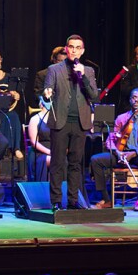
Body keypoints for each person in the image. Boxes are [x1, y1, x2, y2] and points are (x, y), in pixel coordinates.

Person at [42, 34, 99, 211]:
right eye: (71, 47)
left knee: (76, 163)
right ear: (66, 49)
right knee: (58, 163)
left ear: (82, 51)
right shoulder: (54, 69)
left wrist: (83, 77)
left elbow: (94, 95)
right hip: (61, 121)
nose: (74, 50)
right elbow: (47, 89)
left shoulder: (88, 71)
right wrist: (47, 93)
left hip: (80, 122)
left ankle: (74, 200)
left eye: (77, 47)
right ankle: (56, 201)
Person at [89, 88, 138, 211]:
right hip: (121, 154)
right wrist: (117, 152)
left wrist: (134, 154)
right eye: (134, 97)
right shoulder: (122, 118)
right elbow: (109, 140)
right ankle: (106, 199)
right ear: (130, 100)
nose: (136, 100)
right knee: (95, 160)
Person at [0, 49, 25, 162]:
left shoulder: (8, 76)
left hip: (5, 107)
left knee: (14, 116)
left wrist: (15, 94)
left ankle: (16, 148)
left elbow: (11, 91)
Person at [26, 99, 52, 182]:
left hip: (54, 149)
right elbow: (34, 142)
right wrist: (49, 152)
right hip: (39, 153)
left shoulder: (56, 119)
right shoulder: (35, 119)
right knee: (53, 160)